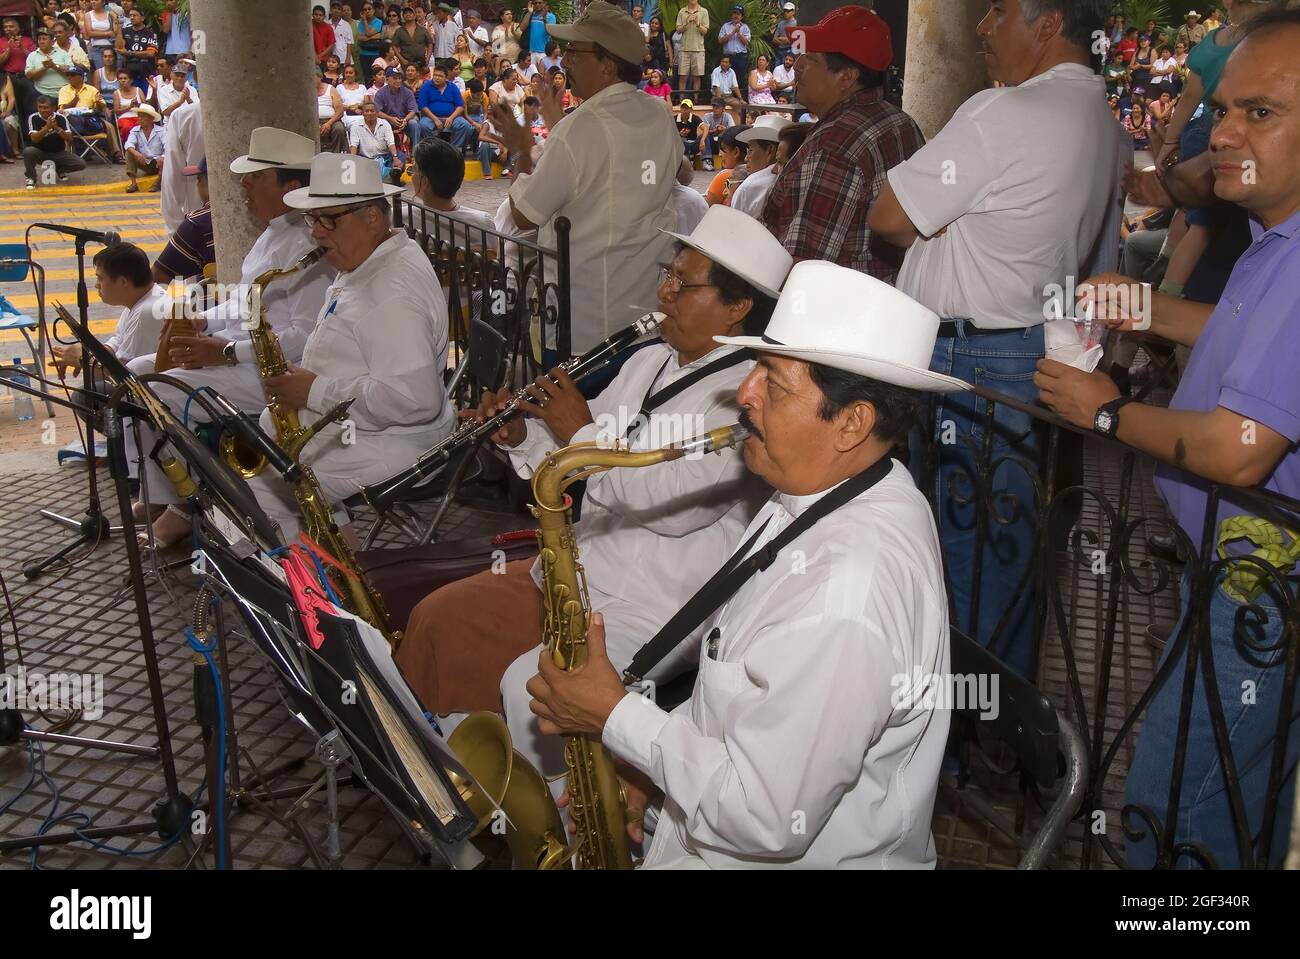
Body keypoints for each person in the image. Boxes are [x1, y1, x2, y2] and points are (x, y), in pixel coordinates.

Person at [526, 260, 965, 869]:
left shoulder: (845, 595)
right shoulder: (826, 491)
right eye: (756, 366)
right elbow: (736, 698)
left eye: (775, 381)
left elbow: (764, 819)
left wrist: (616, 717)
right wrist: (654, 773)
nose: (743, 393)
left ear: (851, 423)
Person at [397, 205, 789, 797]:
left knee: (531, 686)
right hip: (579, 568)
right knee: (438, 617)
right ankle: (454, 780)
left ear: (738, 308)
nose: (664, 290)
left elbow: (671, 504)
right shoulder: (647, 359)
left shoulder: (747, 398)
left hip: (656, 603)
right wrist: (524, 435)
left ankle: (562, 820)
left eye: (685, 282)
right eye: (668, 273)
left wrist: (578, 428)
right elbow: (576, 467)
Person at [1037, 8, 1300, 871]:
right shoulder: (1275, 240)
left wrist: (1105, 412)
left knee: (1176, 813)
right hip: (1241, 579)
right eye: (1223, 109)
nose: (1222, 133)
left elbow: (1241, 447)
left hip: (1257, 586)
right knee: (1222, 807)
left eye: (1258, 112)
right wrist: (1142, 307)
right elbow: (1234, 327)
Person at [867, 0, 1118, 678]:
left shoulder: (1002, 112)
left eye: (998, 10)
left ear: (1049, 23)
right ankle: (1003, 734)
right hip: (1022, 347)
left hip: (966, 356)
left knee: (949, 556)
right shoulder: (1099, 117)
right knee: (1000, 552)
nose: (980, 28)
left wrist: (935, 220)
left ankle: (951, 742)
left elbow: (888, 214)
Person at [131, 128, 333, 545]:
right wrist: (203, 321)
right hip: (245, 359)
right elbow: (247, 304)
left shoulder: (304, 244)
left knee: (162, 390)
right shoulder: (274, 232)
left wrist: (223, 351)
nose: (244, 184)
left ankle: (184, 506)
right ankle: (163, 491)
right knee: (137, 372)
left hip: (277, 376)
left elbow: (303, 337)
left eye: (256, 177)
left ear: (291, 187)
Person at [246, 152, 455, 540]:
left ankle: (316, 583)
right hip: (368, 427)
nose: (316, 233)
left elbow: (414, 398)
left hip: (392, 442)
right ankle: (336, 543)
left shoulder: (390, 294)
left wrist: (312, 390)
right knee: (266, 434)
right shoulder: (372, 258)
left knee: (269, 472)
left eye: (328, 220)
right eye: (312, 219)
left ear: (372, 217)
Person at [495, 1, 683, 376]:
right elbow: (682, 174)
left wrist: (520, 149)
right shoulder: (660, 113)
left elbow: (523, 213)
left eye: (574, 52)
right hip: (647, 314)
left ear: (608, 64)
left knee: (578, 431)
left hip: (585, 328)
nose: (565, 62)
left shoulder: (580, 127)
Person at [762, 6, 923, 280]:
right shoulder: (900, 123)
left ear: (847, 77)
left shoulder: (837, 144)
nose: (797, 65)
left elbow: (805, 265)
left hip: (833, 309)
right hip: (882, 302)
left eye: (810, 59)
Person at [51, 243, 165, 372]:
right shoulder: (142, 299)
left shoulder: (145, 313)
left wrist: (83, 360)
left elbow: (124, 376)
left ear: (123, 282)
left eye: (100, 278)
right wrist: (92, 353)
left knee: (84, 392)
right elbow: (118, 341)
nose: (96, 285)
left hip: (153, 388)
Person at [410, 135, 495, 248]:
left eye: (413, 170)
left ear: (424, 182)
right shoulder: (483, 223)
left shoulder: (403, 218)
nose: (411, 176)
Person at [152, 157, 214, 286]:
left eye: (198, 180)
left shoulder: (197, 223)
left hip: (215, 303)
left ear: (204, 182)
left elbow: (159, 275)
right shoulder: (259, 213)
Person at [56, 63, 123, 161]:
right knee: (64, 127)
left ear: (81, 77)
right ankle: (67, 158)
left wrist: (98, 103)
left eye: (73, 75)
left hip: (90, 119)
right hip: (71, 121)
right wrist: (74, 101)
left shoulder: (92, 89)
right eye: (68, 75)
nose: (70, 77)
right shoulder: (64, 90)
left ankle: (116, 154)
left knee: (109, 126)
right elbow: (62, 108)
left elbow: (102, 108)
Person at [22, 94, 85, 189]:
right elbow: (34, 138)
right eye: (40, 107)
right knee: (28, 151)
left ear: (53, 108)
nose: (43, 110)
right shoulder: (33, 117)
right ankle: (31, 177)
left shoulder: (61, 118)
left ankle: (59, 169)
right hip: (40, 153)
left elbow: (69, 138)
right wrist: (47, 128)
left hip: (58, 153)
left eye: (46, 107)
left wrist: (57, 128)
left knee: (81, 164)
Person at [729, 114, 786, 217]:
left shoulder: (750, 187)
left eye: (750, 151)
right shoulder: (792, 178)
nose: (746, 158)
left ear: (770, 151)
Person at [417, 62, 474, 149]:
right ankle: (432, 149)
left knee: (465, 125)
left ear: (446, 78)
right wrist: (435, 119)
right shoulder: (426, 86)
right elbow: (423, 106)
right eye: (435, 75)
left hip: (451, 117)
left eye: (440, 76)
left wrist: (451, 118)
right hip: (431, 117)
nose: (436, 78)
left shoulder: (453, 87)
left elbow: (460, 106)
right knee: (423, 125)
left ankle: (454, 149)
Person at [2, 17, 38, 134]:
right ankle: (20, 139)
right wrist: (8, 49)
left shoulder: (27, 40)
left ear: (18, 28)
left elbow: (35, 59)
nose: (8, 29)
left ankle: (32, 134)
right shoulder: (1, 41)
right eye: (6, 27)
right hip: (9, 78)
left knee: (30, 107)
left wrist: (22, 47)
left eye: (11, 26)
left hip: (26, 77)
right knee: (16, 110)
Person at [349, 97, 398, 181]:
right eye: (366, 111)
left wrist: (395, 157)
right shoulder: (355, 126)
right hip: (366, 159)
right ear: (363, 113)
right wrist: (352, 161)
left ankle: (393, 177)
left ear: (377, 113)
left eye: (372, 111)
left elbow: (390, 142)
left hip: (385, 157)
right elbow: (354, 145)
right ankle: (387, 178)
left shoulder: (385, 124)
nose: (369, 113)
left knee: (400, 157)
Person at [375, 63, 420, 152]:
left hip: (404, 120)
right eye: (395, 78)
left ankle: (415, 152)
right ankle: (383, 152)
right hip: (388, 121)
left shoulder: (407, 92)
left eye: (399, 78)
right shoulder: (380, 93)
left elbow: (413, 110)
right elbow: (378, 112)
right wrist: (390, 119)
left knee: (414, 123)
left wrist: (405, 120)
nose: (398, 81)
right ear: (387, 80)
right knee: (381, 123)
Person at [123, 101, 163, 192]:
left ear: (151, 118)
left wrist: (162, 156)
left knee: (166, 157)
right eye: (139, 116)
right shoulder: (135, 130)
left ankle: (158, 183)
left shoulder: (161, 131)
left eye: (143, 116)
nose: (139, 119)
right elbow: (128, 144)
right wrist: (136, 154)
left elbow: (167, 146)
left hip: (158, 163)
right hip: (143, 161)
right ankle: (133, 184)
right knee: (129, 152)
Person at [26, 28, 74, 101]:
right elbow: (29, 75)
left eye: (44, 39)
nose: (41, 42)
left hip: (64, 93)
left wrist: (54, 66)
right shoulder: (32, 55)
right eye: (39, 39)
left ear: (52, 41)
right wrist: (44, 68)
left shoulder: (62, 53)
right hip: (41, 94)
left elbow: (71, 71)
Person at [115, 5, 157, 84]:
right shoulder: (125, 31)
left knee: (145, 96)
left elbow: (150, 53)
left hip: (146, 71)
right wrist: (119, 29)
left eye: (135, 15)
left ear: (142, 18)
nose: (132, 17)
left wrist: (130, 53)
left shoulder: (150, 33)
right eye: (130, 15)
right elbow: (119, 48)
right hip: (129, 72)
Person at [674, 0, 707, 93]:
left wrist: (698, 23)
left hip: (698, 50)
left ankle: (696, 101)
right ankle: (682, 101)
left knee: (696, 77)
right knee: (683, 76)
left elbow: (705, 31)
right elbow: (678, 30)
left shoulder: (704, 11)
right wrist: (686, 23)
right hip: (684, 49)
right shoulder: (682, 11)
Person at [718, 4, 750, 98]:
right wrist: (732, 32)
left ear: (742, 16)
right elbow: (720, 40)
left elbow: (746, 42)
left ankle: (738, 99)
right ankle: (727, 97)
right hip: (728, 57)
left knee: (739, 79)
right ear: (731, 15)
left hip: (740, 57)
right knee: (726, 78)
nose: (736, 16)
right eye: (734, 13)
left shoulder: (745, 27)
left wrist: (738, 32)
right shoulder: (725, 26)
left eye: (738, 14)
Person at [697, 94, 731, 171]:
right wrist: (713, 131)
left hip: (722, 144)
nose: (715, 109)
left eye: (717, 107)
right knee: (705, 135)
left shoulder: (727, 116)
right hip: (710, 144)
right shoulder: (707, 116)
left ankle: (724, 160)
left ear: (723, 108)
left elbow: (733, 129)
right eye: (714, 107)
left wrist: (724, 129)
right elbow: (705, 129)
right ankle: (707, 161)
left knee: (722, 135)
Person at [391, 4, 431, 70]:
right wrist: (402, 59)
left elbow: (430, 43)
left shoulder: (423, 29)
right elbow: (394, 45)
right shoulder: (399, 31)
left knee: (420, 80)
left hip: (421, 62)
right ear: (403, 16)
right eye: (405, 13)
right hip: (406, 62)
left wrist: (428, 58)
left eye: (410, 13)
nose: (408, 14)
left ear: (415, 15)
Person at [111, 64, 144, 142]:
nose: (123, 80)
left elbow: (146, 106)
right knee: (127, 127)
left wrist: (138, 105)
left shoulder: (138, 90)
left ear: (131, 80)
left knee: (143, 126)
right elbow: (116, 111)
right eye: (120, 79)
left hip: (139, 117)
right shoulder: (116, 93)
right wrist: (129, 107)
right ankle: (129, 149)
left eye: (125, 78)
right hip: (124, 118)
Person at [317, 70, 349, 152]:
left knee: (339, 128)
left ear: (319, 78)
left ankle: (336, 153)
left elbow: (340, 111)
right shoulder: (307, 90)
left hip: (331, 120)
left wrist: (329, 123)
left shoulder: (331, 89)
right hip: (313, 121)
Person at [81, 0, 117, 70]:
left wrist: (115, 18)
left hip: (110, 47)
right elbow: (90, 33)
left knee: (112, 72)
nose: (93, 2)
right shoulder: (88, 15)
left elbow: (114, 32)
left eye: (96, 0)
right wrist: (108, 33)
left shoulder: (109, 14)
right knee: (101, 72)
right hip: (96, 48)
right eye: (92, 0)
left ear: (103, 2)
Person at [709, 53, 743, 123]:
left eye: (726, 62)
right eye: (722, 62)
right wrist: (720, 102)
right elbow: (716, 88)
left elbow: (735, 87)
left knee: (742, 106)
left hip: (729, 97)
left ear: (729, 64)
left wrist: (741, 99)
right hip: (717, 97)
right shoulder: (716, 71)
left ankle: (743, 124)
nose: (723, 64)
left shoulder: (732, 72)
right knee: (718, 108)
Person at [356, 1, 385, 76]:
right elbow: (359, 38)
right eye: (364, 10)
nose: (367, 11)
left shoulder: (378, 22)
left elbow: (368, 33)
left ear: (373, 10)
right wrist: (374, 36)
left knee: (376, 76)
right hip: (363, 53)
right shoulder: (360, 23)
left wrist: (367, 36)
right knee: (366, 76)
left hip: (375, 54)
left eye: (369, 9)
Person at [429, 2, 459, 70]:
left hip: (450, 56)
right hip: (438, 56)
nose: (437, 15)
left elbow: (457, 43)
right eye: (436, 13)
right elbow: (432, 41)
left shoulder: (453, 26)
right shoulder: (434, 25)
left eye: (439, 13)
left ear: (446, 13)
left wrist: (455, 55)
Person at [526, 0, 556, 67]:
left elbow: (551, 32)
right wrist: (529, 13)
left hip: (544, 52)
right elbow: (522, 28)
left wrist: (544, 19)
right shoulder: (532, 15)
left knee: (543, 75)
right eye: (535, 3)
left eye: (540, 3)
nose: (537, 4)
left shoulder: (551, 16)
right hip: (531, 51)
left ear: (545, 3)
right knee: (532, 75)